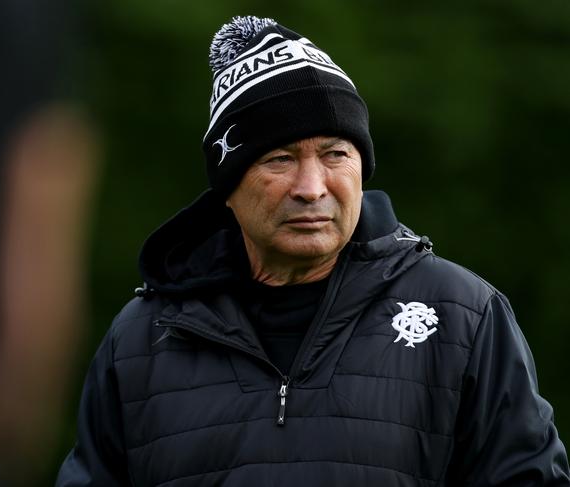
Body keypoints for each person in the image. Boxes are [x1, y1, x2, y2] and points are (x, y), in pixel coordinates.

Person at [56, 16, 570, 486]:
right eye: (280, 158)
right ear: (229, 187)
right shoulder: (143, 339)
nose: (312, 186)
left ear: (361, 169)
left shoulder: (462, 317)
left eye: (334, 154)